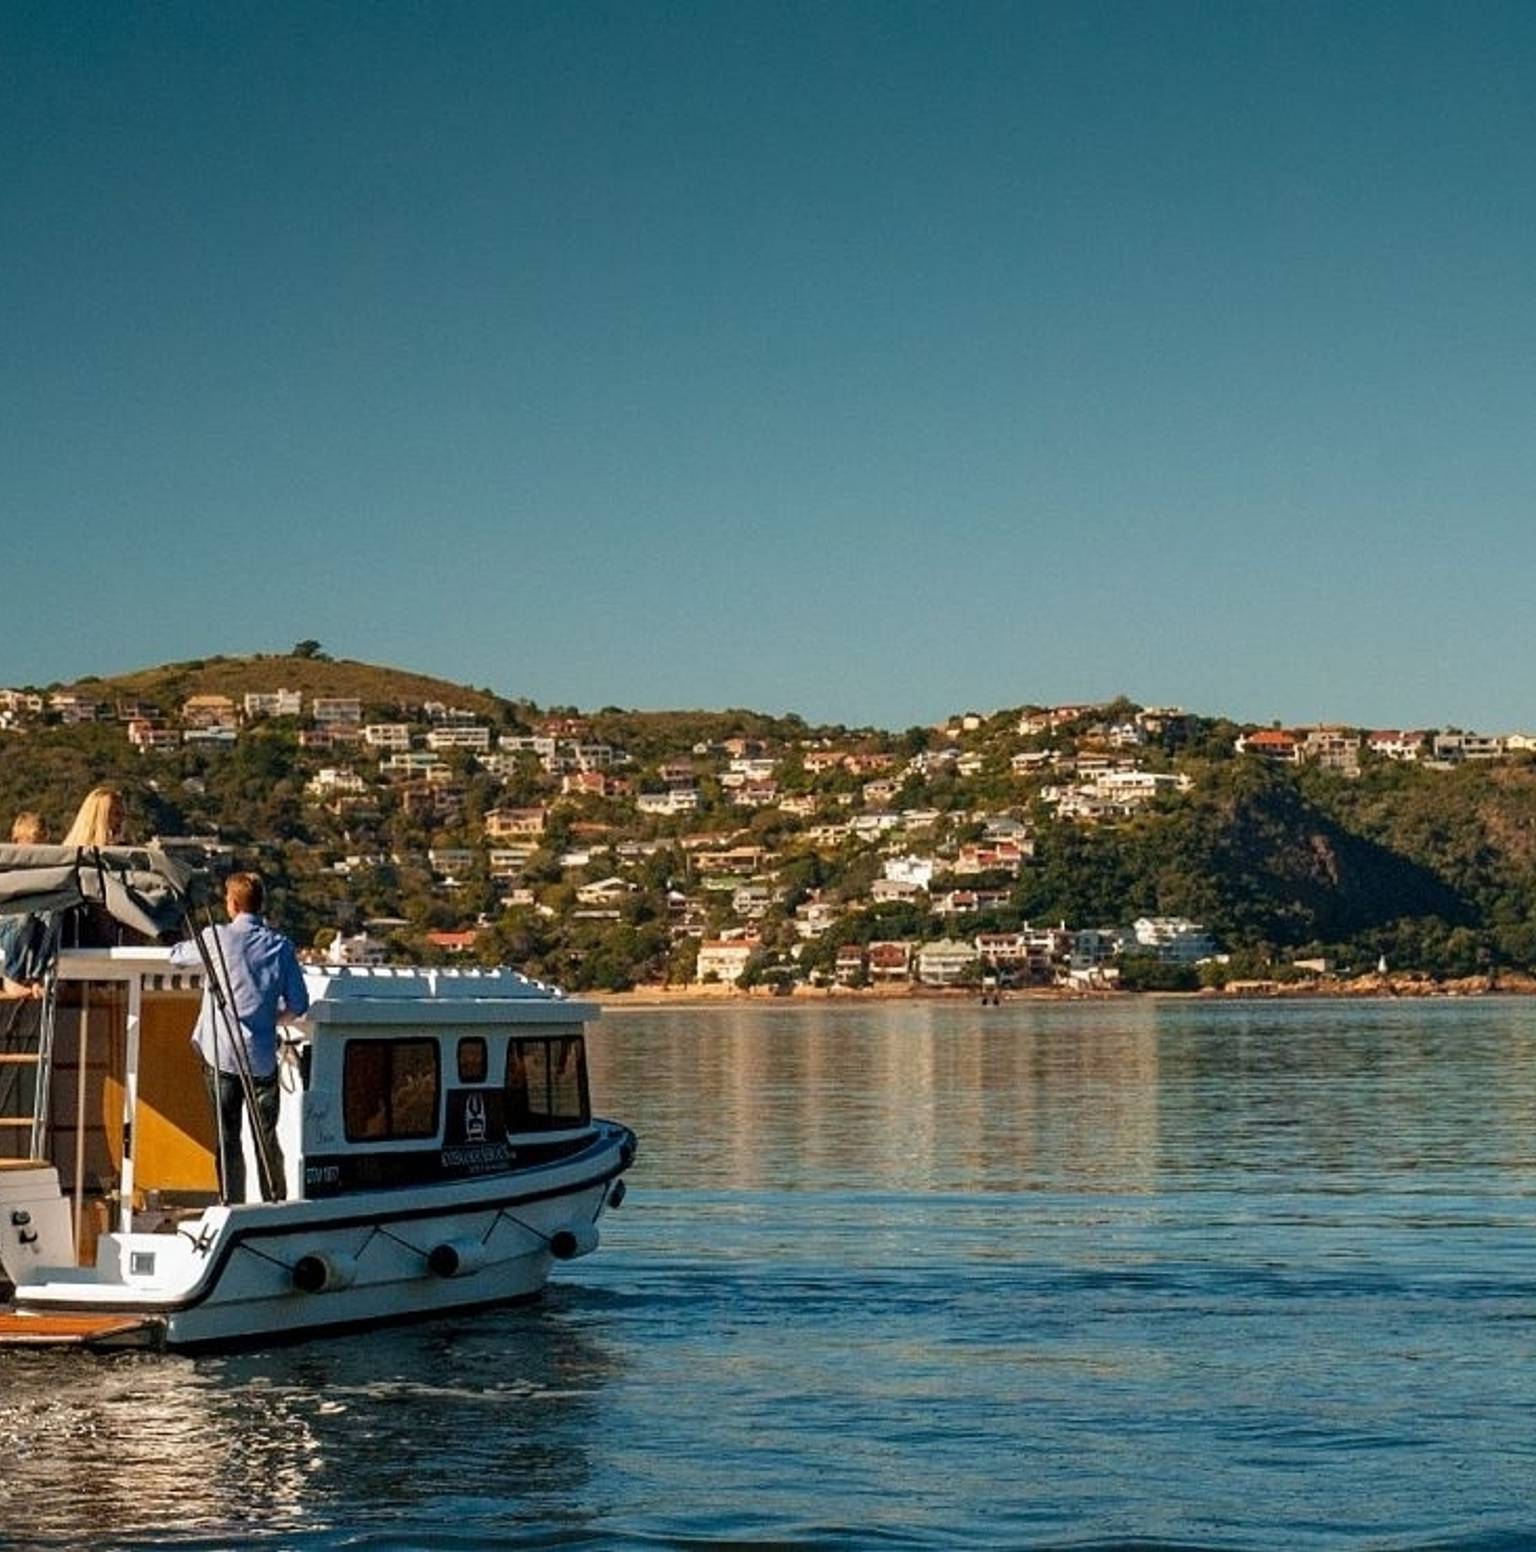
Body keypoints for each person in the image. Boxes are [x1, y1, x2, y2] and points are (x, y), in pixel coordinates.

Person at [170, 871, 309, 1202]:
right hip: (261, 1058)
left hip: (221, 1055)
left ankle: (232, 1202)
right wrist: (271, 1018)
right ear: (261, 905)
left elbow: (176, 957)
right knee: (266, 1137)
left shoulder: (216, 938)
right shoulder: (281, 946)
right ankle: (275, 1201)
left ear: (232, 904)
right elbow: (299, 1005)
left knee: (228, 1137)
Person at [1, 813, 50, 998]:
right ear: (17, 840)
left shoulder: (48, 868)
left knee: (52, 914)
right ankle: (12, 977)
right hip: (7, 922)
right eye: (30, 842)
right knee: (24, 916)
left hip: (31, 924)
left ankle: (38, 975)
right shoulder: (6, 865)